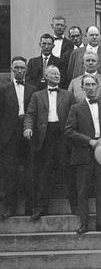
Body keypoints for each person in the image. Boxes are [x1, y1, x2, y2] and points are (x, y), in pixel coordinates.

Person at [65, 74, 101, 234]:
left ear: (98, 86)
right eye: (86, 85)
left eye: (93, 84)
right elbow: (69, 131)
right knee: (83, 190)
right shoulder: (76, 108)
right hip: (83, 154)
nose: (90, 88)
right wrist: (89, 141)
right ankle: (84, 224)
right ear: (82, 88)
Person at [24, 65, 77, 220]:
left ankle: (75, 206)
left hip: (63, 136)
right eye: (53, 74)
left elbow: (74, 115)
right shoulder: (37, 95)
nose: (57, 76)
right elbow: (30, 114)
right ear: (45, 76)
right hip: (45, 136)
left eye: (58, 74)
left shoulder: (68, 95)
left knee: (68, 171)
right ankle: (41, 208)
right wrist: (27, 128)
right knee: (44, 173)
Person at [0, 57, 36, 219]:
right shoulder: (3, 89)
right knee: (10, 172)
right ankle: (9, 207)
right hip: (9, 136)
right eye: (17, 68)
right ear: (12, 69)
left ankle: (30, 207)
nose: (20, 71)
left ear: (26, 69)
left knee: (30, 172)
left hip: (28, 134)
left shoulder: (33, 89)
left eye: (22, 68)